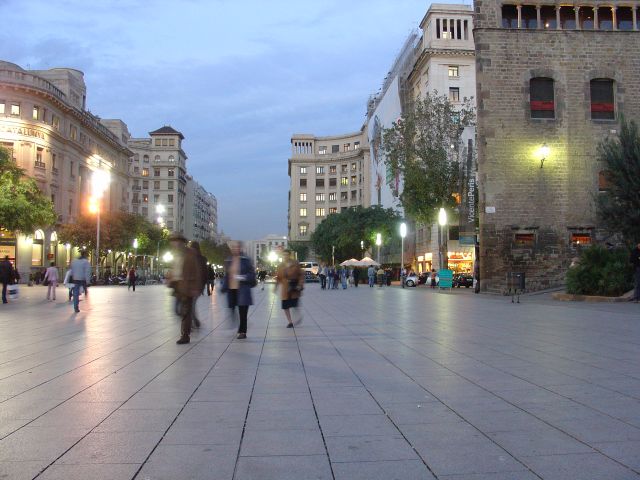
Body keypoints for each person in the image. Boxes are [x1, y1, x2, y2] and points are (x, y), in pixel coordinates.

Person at [169, 234, 203, 344]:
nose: (174, 244)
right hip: (177, 285)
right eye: (173, 242)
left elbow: (197, 271)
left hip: (188, 286)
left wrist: (197, 287)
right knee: (177, 310)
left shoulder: (190, 253)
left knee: (186, 311)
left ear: (181, 242)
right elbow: (175, 268)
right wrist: (170, 277)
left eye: (175, 241)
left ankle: (185, 335)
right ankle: (188, 326)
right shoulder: (175, 254)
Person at [221, 241, 256, 339]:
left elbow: (252, 275)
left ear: (240, 248)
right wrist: (224, 287)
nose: (235, 249)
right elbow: (227, 275)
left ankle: (242, 331)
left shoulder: (246, 260)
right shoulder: (229, 260)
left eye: (237, 247)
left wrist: (242, 277)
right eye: (233, 247)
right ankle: (239, 326)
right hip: (231, 289)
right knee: (232, 308)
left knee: (243, 311)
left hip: (243, 289)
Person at [275, 250, 304, 328]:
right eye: (284, 255)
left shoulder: (295, 263)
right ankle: (290, 322)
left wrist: (300, 284)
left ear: (289, 255)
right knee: (285, 306)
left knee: (294, 305)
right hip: (285, 288)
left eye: (287, 255)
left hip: (294, 286)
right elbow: (278, 277)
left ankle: (297, 317)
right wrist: (275, 287)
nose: (285, 256)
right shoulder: (280, 265)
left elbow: (301, 275)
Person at [190, 241, 209, 329]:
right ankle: (194, 321)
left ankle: (194, 321)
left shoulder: (201, 259)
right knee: (190, 305)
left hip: (197, 286)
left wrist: (201, 287)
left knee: (192, 304)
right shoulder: (190, 258)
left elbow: (204, 274)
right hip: (190, 286)